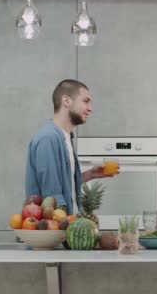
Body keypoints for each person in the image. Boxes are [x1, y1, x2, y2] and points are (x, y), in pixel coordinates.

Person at [25, 79, 117, 215]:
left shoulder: (66, 137)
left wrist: (90, 174)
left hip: (65, 227)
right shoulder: (48, 139)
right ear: (66, 101)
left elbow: (64, 185)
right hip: (55, 231)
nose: (90, 108)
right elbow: (52, 197)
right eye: (85, 101)